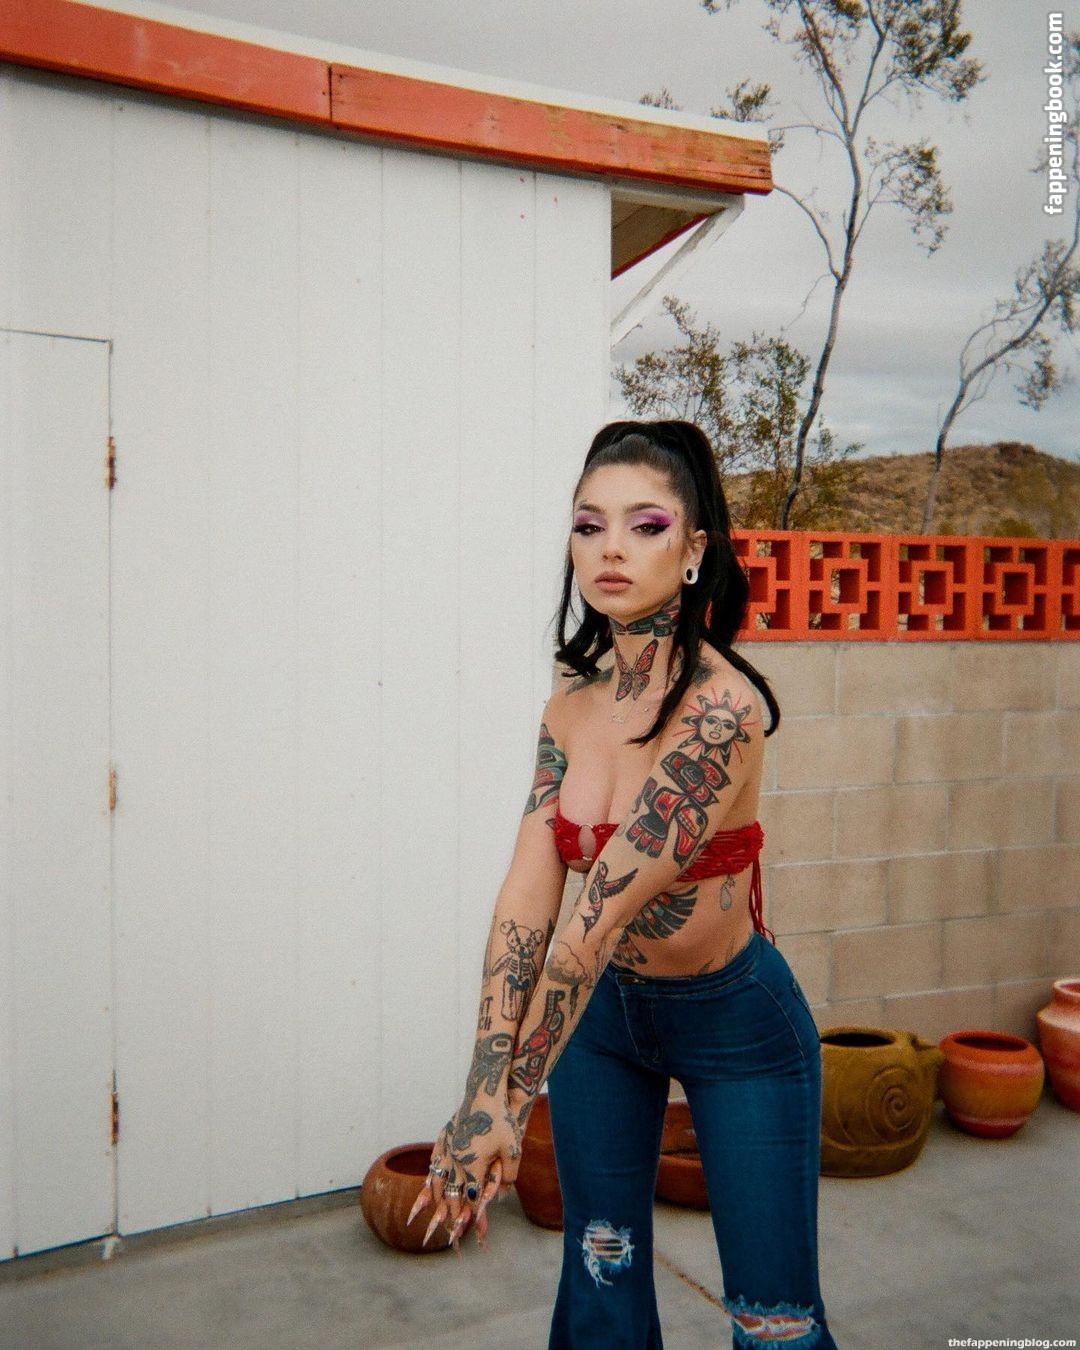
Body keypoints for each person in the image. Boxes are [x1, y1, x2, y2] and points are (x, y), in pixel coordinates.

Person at [407, 420, 838, 1349]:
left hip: (735, 1022)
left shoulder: (721, 712)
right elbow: (528, 900)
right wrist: (482, 1088)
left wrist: (507, 1104)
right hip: (602, 1024)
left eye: (645, 526)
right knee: (602, 1282)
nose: (611, 548)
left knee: (773, 1319)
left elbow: (592, 919)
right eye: (588, 524)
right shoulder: (568, 710)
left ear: (694, 550)